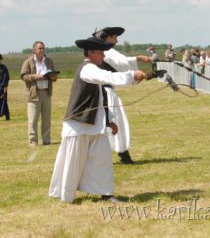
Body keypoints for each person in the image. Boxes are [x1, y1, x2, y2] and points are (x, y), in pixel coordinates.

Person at [49, 36, 146, 203]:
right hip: (78, 124)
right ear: (90, 52)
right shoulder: (88, 68)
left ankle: (107, 194)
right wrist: (131, 74)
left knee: (103, 160)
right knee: (73, 162)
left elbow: (101, 99)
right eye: (100, 52)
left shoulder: (94, 69)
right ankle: (66, 196)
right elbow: (109, 77)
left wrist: (108, 121)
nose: (103, 56)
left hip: (96, 126)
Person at [92, 27, 152, 164]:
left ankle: (118, 154)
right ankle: (122, 155)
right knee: (114, 122)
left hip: (102, 91)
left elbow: (121, 63)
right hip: (104, 92)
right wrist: (139, 60)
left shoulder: (102, 51)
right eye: (115, 37)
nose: (117, 40)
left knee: (106, 123)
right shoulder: (105, 51)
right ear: (108, 38)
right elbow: (121, 63)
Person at [21, 41, 58, 147]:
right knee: (33, 119)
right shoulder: (29, 61)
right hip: (34, 94)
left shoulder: (49, 61)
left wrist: (53, 77)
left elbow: (54, 75)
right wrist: (36, 77)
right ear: (34, 50)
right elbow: (24, 76)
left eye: (43, 48)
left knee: (46, 119)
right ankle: (33, 141)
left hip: (46, 92)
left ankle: (46, 140)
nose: (42, 50)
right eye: (40, 48)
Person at [0, 54, 10, 121]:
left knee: (3, 101)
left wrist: (5, 86)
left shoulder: (3, 68)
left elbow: (6, 77)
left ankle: (7, 115)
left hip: (2, 87)